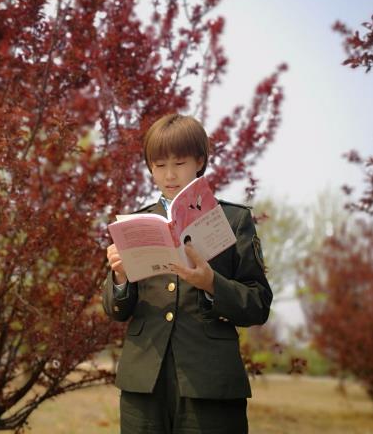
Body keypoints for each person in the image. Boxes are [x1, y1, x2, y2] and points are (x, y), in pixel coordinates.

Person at [102, 113, 272, 434]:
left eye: (179, 163)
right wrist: (120, 278)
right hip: (143, 382)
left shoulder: (234, 220)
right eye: (159, 165)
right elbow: (115, 310)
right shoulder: (135, 224)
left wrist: (212, 284)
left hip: (210, 382)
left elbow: (259, 304)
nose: (169, 175)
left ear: (200, 161)